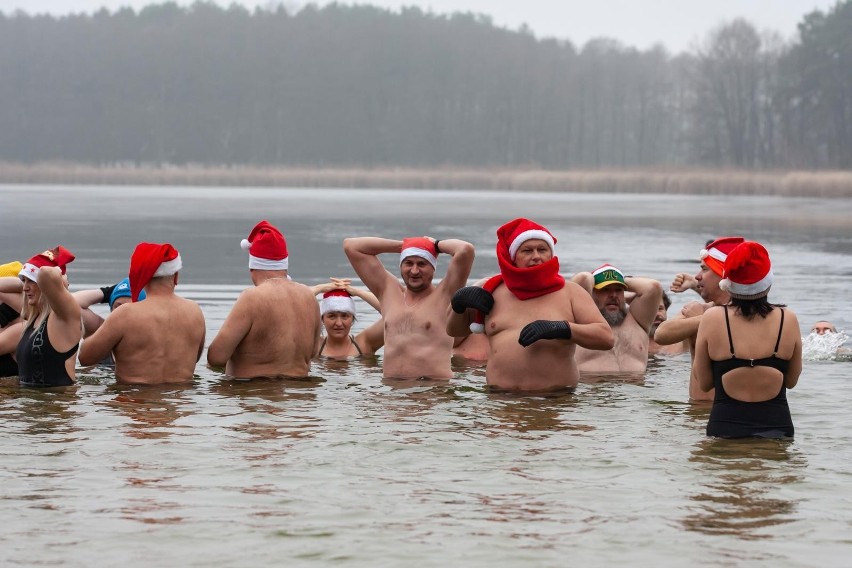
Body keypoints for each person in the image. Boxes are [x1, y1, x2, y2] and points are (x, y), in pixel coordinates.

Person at [447, 218, 613, 391]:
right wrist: (458, 304)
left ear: (551, 254)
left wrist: (562, 328)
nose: (536, 256)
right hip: (499, 401)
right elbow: (455, 331)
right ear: (513, 257)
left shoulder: (571, 292)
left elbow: (606, 338)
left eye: (542, 250)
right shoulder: (492, 291)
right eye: (527, 251)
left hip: (556, 400)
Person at [694, 241, 801, 438]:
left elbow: (705, 383)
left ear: (729, 283)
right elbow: (792, 381)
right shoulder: (788, 318)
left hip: (724, 428)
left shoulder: (713, 318)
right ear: (767, 281)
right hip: (777, 429)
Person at [343, 233, 474, 379]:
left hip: (433, 393)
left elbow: (465, 250)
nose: (414, 271)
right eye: (409, 263)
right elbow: (351, 246)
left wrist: (435, 245)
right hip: (392, 392)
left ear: (433, 268)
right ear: (401, 265)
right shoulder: (387, 291)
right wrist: (405, 245)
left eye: (422, 264)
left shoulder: (445, 295)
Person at [79, 242, 206, 384]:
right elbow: (195, 358)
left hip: (133, 401)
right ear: (176, 276)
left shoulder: (125, 314)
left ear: (137, 276)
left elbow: (85, 358)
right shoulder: (195, 312)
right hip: (180, 403)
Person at [207, 220, 320, 378]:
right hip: (301, 395)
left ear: (252, 267)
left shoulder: (252, 297)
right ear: (284, 266)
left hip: (255, 392)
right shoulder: (309, 296)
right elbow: (313, 352)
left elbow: (216, 357)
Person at [654, 236, 744, 402]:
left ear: (723, 275)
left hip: (728, 414)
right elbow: (661, 334)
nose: (697, 276)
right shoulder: (701, 311)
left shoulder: (749, 314)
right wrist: (703, 318)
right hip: (695, 413)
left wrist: (706, 319)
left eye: (704, 269)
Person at [571, 264, 663, 373]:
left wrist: (621, 278)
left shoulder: (638, 321)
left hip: (635, 389)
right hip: (594, 388)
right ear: (592, 293)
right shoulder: (582, 321)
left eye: (619, 290)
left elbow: (654, 287)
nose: (613, 295)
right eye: (605, 290)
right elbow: (584, 278)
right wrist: (595, 277)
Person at [14, 247, 81, 387]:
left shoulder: (63, 318)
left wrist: (59, 272)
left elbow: (46, 273)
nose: (25, 288)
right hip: (28, 404)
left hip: (56, 405)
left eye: (31, 280)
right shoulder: (31, 317)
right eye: (24, 281)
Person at [311, 277, 384, 359]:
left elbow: (394, 315)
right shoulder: (313, 345)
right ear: (322, 319)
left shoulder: (365, 343)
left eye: (345, 316)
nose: (339, 323)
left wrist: (359, 292)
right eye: (332, 316)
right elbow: (293, 307)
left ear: (352, 318)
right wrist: (320, 288)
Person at [74, 277, 147, 337]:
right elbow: (70, 304)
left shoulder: (153, 336)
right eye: (118, 306)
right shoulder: (102, 331)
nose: (122, 311)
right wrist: (107, 293)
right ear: (111, 308)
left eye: (130, 307)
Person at [648, 291, 688, 356]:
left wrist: (694, 285)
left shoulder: (682, 340)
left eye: (660, 308)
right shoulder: (631, 343)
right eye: (650, 310)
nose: (657, 314)